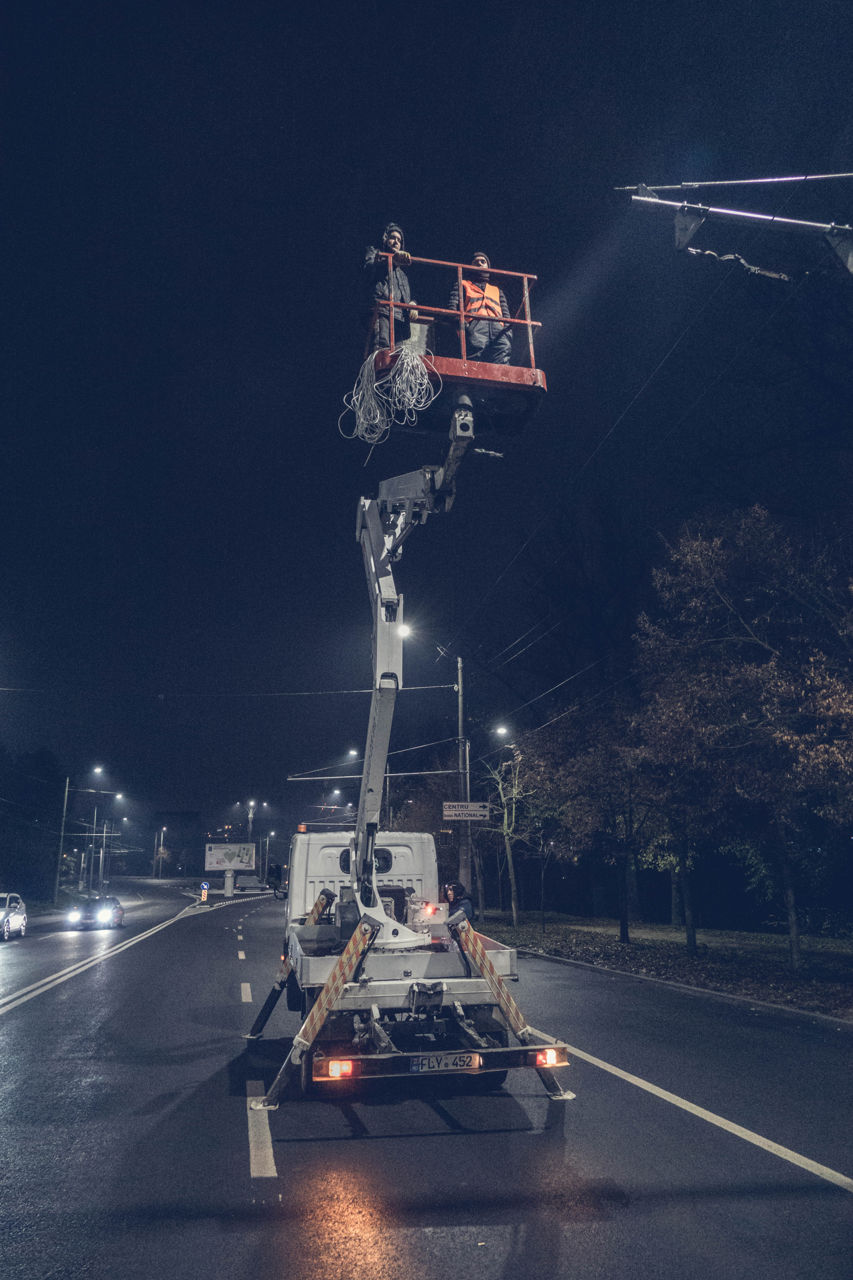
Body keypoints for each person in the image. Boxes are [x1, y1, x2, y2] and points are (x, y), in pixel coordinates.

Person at [448, 252, 512, 364]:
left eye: (483, 261)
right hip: (474, 325)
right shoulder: (462, 284)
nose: (479, 263)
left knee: (502, 356)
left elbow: (506, 314)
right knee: (474, 358)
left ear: (488, 266)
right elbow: (452, 308)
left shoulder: (497, 290)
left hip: (498, 327)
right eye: (476, 262)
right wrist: (463, 326)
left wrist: (507, 331)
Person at [363, 222, 414, 351]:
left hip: (400, 319)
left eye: (399, 240)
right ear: (385, 239)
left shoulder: (402, 274)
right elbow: (369, 267)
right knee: (382, 352)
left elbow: (406, 295)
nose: (396, 242)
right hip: (382, 312)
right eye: (393, 238)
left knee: (398, 360)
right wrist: (391, 260)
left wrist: (413, 304)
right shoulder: (374, 254)